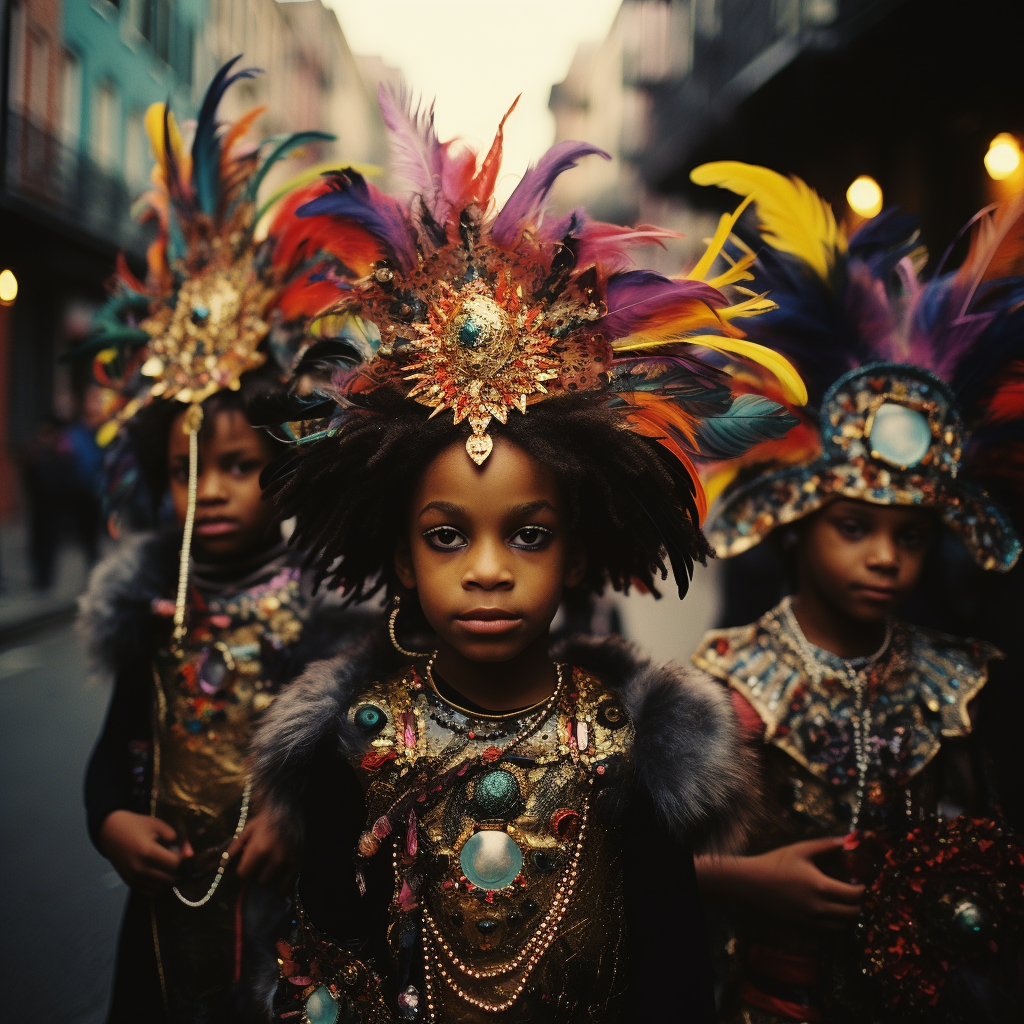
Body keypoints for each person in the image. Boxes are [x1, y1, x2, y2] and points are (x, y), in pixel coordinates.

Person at [244, 91, 806, 1024]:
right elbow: (323, 969)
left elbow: (672, 979)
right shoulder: (354, 746)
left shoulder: (630, 751)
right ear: (401, 551)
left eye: (529, 534)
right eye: (448, 535)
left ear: (580, 556)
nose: (490, 569)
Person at [687, 162, 1024, 1023]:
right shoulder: (730, 681)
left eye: (910, 536)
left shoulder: (962, 679)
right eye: (854, 528)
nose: (886, 558)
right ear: (795, 523)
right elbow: (650, 863)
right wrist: (751, 882)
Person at [78, 60, 373, 1024]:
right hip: (165, 928)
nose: (207, 492)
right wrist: (111, 822)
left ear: (281, 470)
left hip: (292, 924)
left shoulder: (327, 611)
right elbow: (120, 747)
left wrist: (297, 817)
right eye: (183, 471)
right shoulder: (151, 606)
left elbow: (359, 767)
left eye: (238, 467)